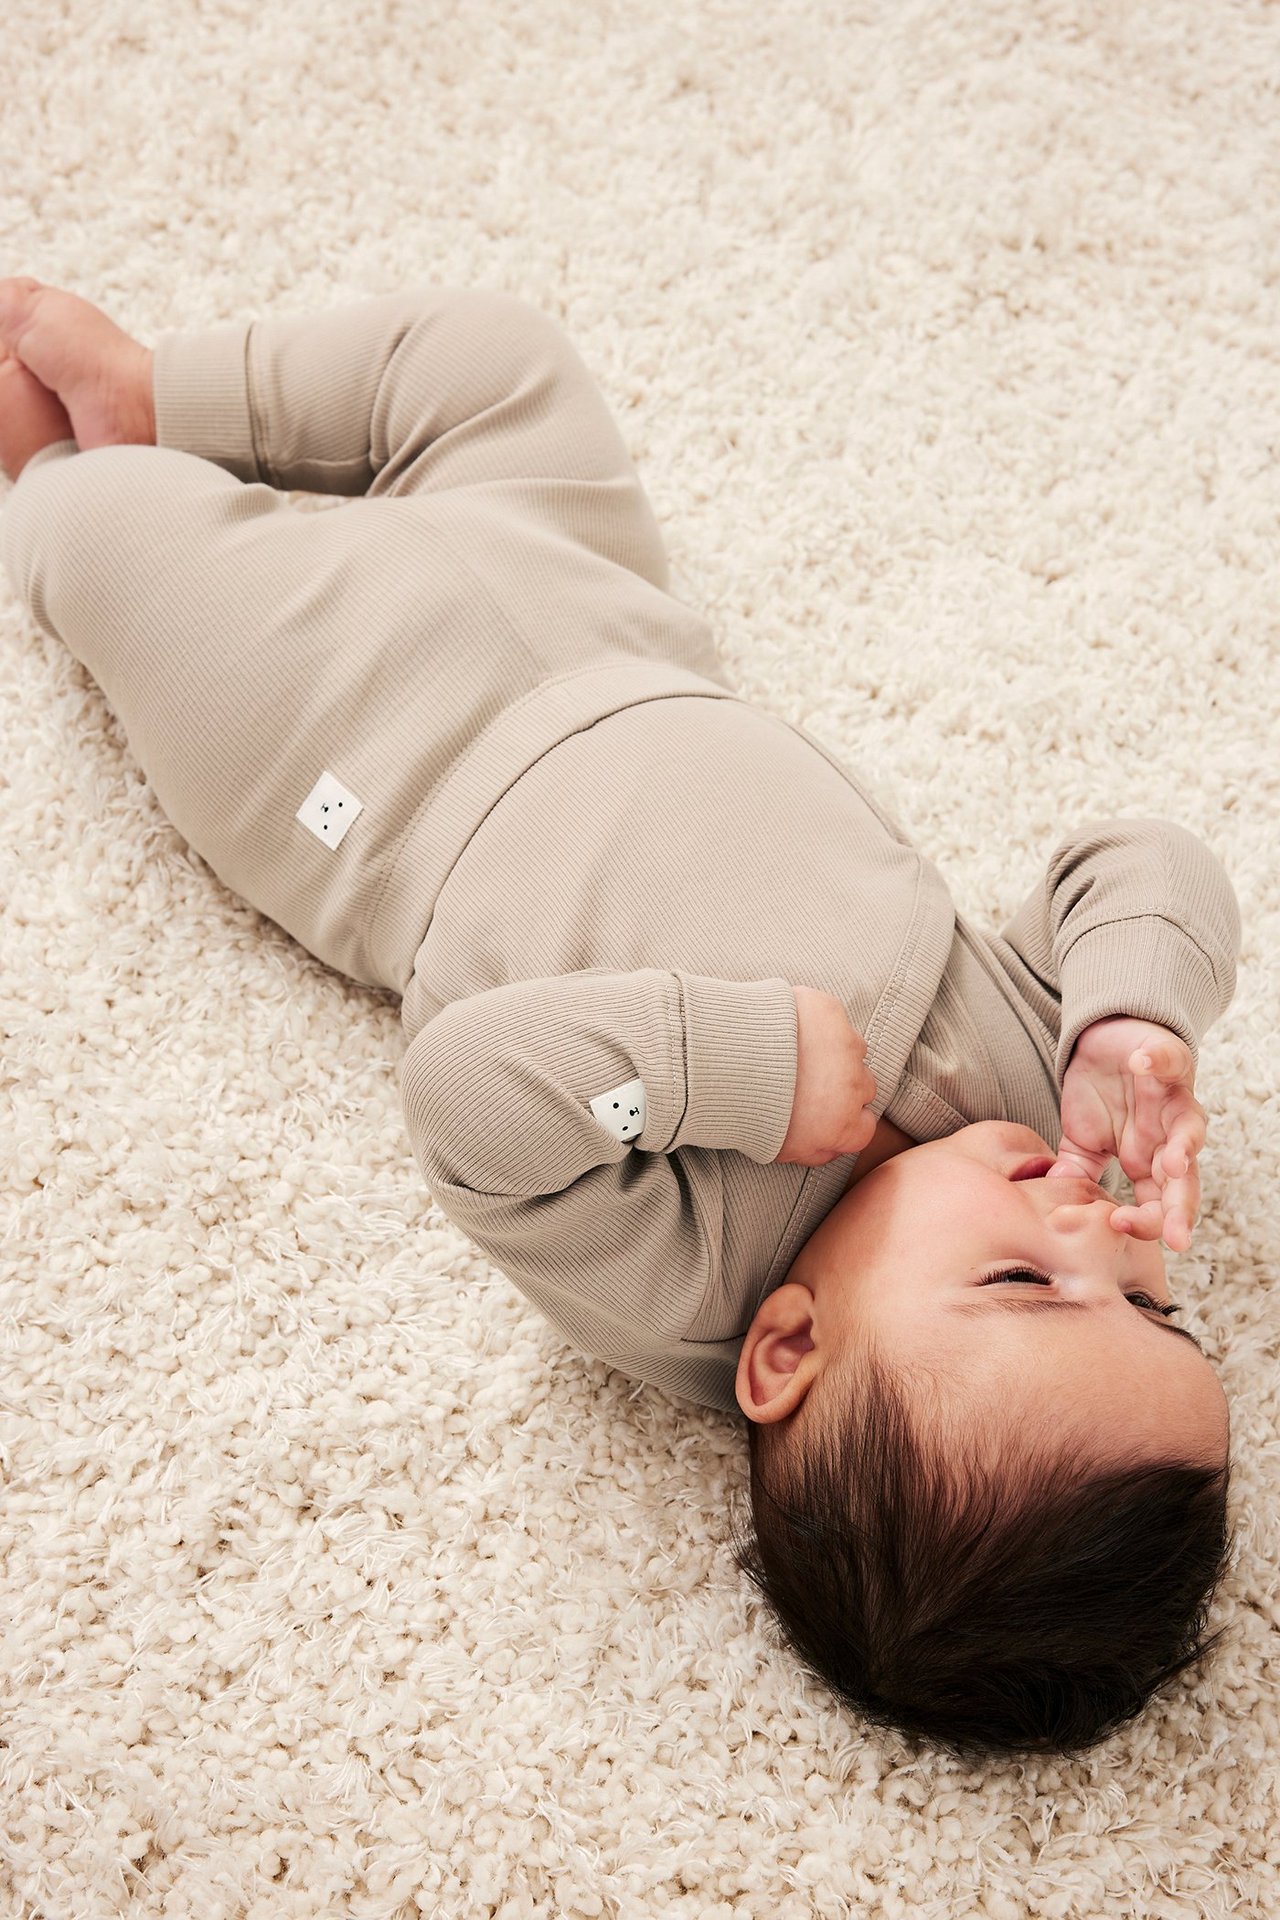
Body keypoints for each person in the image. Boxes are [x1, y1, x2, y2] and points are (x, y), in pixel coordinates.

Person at [0, 278, 1241, 1758]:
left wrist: (734, 1071)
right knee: (495, 358)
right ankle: (167, 392)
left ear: (787, 1351)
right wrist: (1134, 1017)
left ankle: (61, 466)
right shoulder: (1038, 1087)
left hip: (356, 769)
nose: (1097, 1230)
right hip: (606, 615)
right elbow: (1135, 859)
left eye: (1027, 1283)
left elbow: (467, 1098)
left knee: (123, 549)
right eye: (1153, 1306)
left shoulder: (682, 1278)